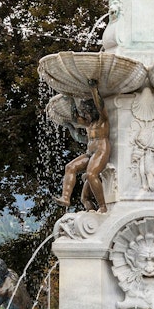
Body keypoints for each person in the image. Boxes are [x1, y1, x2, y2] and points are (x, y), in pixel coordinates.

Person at [54, 79, 111, 213]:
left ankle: (103, 206)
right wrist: (71, 100)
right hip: (90, 152)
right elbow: (75, 118)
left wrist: (94, 89)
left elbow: (101, 106)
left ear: (92, 111)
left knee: (91, 175)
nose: (84, 114)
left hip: (101, 150)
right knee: (70, 167)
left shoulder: (103, 120)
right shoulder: (88, 124)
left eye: (86, 112)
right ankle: (65, 198)